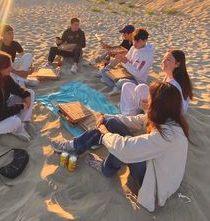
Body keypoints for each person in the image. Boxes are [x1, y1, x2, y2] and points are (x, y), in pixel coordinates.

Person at [51, 82, 190, 212]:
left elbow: (126, 149)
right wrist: (105, 117)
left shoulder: (166, 135)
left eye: (150, 98)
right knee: (111, 123)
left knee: (120, 144)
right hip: (155, 168)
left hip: (153, 183)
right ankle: (74, 145)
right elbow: (134, 121)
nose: (147, 101)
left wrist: (105, 133)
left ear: (159, 105)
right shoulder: (170, 120)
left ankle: (100, 164)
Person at [120, 49, 193, 115]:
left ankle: (129, 115)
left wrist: (150, 106)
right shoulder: (169, 77)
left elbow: (173, 110)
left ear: (177, 64)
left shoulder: (175, 85)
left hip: (168, 115)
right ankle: (128, 113)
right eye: (163, 59)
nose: (163, 61)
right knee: (127, 86)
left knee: (141, 88)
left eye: (168, 60)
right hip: (161, 107)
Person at [100, 27, 155, 95]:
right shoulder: (133, 47)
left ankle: (116, 86)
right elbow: (125, 62)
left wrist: (125, 62)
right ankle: (116, 87)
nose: (135, 43)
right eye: (134, 40)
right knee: (103, 72)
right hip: (126, 73)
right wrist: (121, 58)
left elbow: (138, 74)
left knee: (122, 82)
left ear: (145, 40)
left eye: (138, 41)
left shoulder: (147, 55)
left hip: (137, 80)